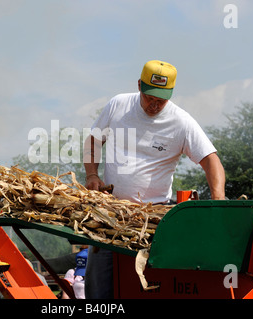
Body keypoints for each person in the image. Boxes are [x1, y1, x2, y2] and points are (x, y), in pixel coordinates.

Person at [83, 60, 225, 299]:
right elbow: (94, 141)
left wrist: (218, 201)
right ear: (139, 85)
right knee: (99, 285)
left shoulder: (181, 122)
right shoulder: (118, 105)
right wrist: (92, 174)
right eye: (150, 97)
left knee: (148, 287)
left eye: (162, 99)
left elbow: (211, 160)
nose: (154, 105)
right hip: (109, 215)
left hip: (153, 221)